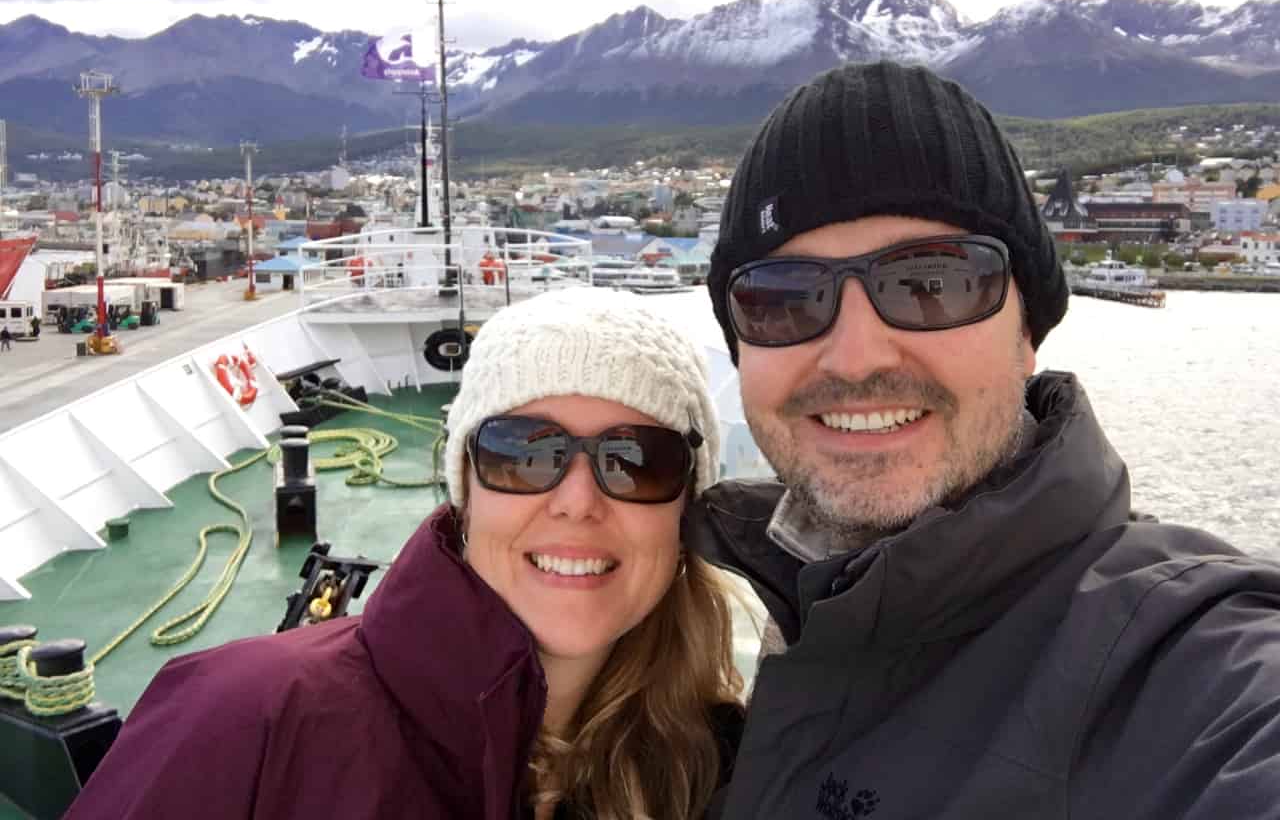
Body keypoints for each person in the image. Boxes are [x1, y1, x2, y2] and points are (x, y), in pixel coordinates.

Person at [688, 60, 1280, 818]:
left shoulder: (1184, 668)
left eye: (931, 283)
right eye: (783, 298)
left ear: (1028, 330)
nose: (857, 355)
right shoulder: (748, 606)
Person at [66, 287, 744, 820]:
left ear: (687, 507)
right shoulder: (243, 721)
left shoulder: (728, 771)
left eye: (636, 462)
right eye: (522, 452)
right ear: (465, 490)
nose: (575, 500)